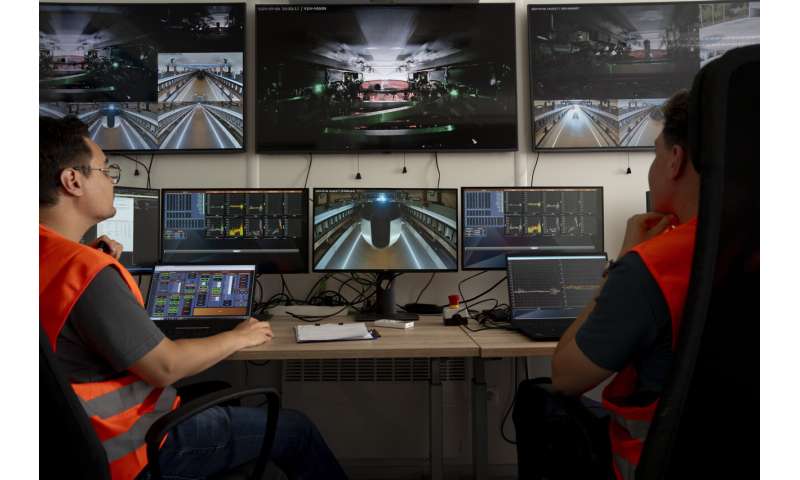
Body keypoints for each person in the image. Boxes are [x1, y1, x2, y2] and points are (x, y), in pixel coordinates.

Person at [39, 116, 348, 480]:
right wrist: (240, 335)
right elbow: (165, 367)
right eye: (106, 170)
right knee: (294, 429)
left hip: (66, 450)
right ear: (73, 181)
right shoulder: (87, 273)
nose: (112, 180)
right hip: (138, 446)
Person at [513, 89, 699, 480]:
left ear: (675, 161)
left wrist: (623, 262)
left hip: (649, 461)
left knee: (538, 396)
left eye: (653, 153)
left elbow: (567, 377)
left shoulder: (654, 265)